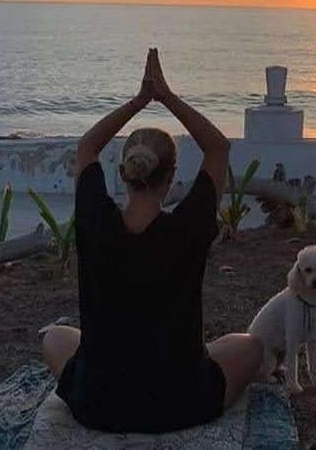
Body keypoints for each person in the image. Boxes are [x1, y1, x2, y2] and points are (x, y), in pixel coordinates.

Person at [41, 48, 262, 433]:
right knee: (249, 346)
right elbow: (218, 148)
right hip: (182, 401)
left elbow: (87, 147)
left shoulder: (96, 221)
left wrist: (139, 100)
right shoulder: (187, 229)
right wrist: (167, 97)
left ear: (123, 171)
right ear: (172, 175)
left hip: (98, 402)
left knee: (56, 337)